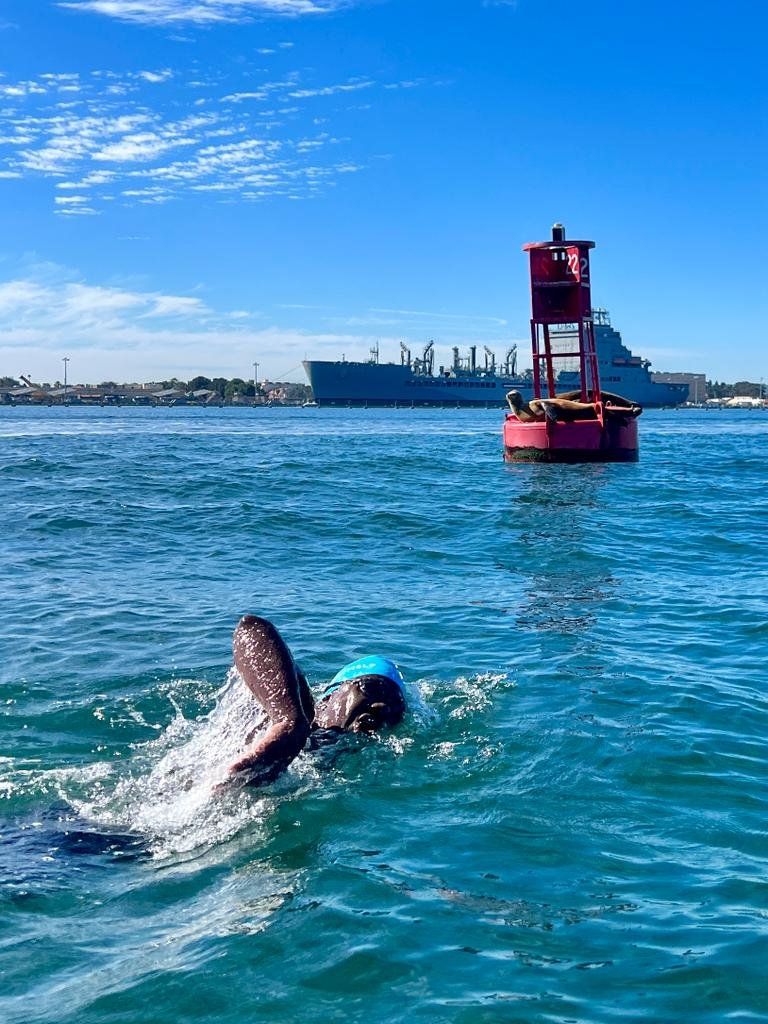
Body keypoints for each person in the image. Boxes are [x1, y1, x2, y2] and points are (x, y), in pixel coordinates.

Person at [226, 615, 407, 786]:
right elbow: (250, 628)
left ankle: (287, 723)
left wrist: (288, 720)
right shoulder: (312, 736)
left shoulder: (305, 717)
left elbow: (250, 628)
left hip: (358, 691)